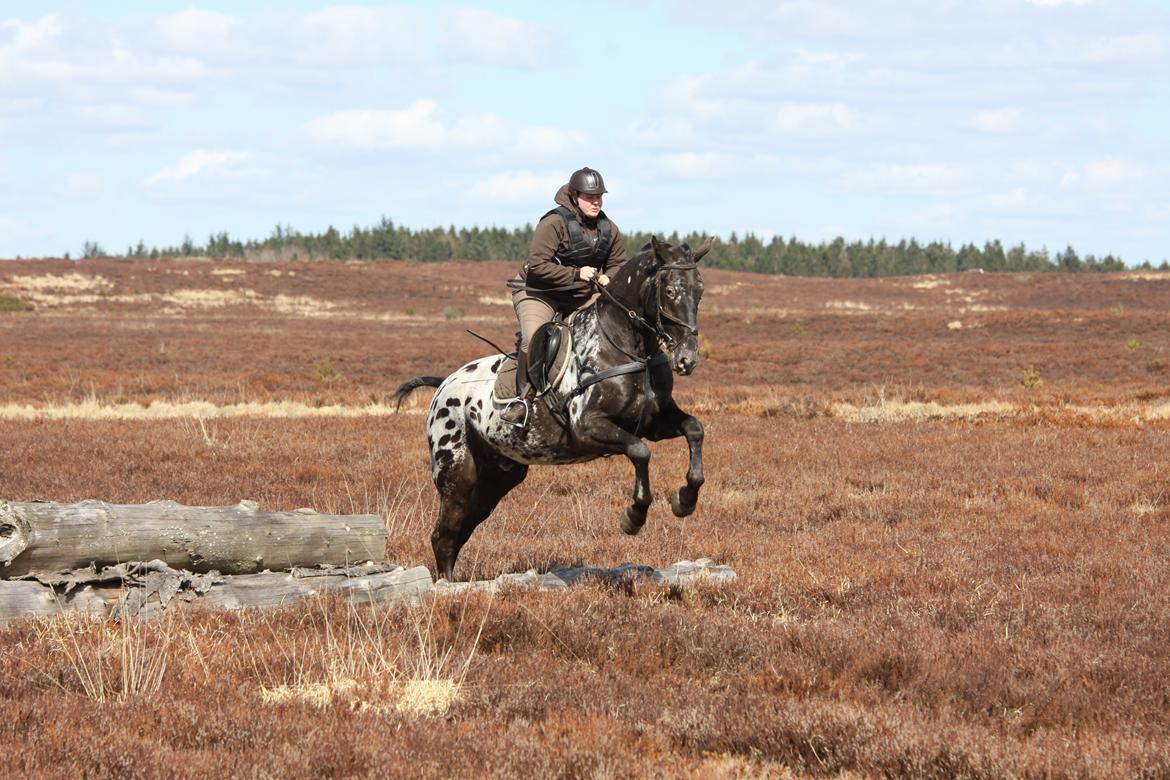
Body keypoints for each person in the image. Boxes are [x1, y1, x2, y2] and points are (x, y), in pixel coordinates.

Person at [502, 167, 628, 427]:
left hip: (580, 295)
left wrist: (610, 277)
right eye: (589, 197)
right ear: (574, 196)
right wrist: (576, 273)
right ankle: (522, 400)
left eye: (599, 197)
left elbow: (619, 263)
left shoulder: (609, 228)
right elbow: (537, 265)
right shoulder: (554, 223)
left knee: (614, 322)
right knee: (533, 338)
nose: (596, 201)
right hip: (538, 293)